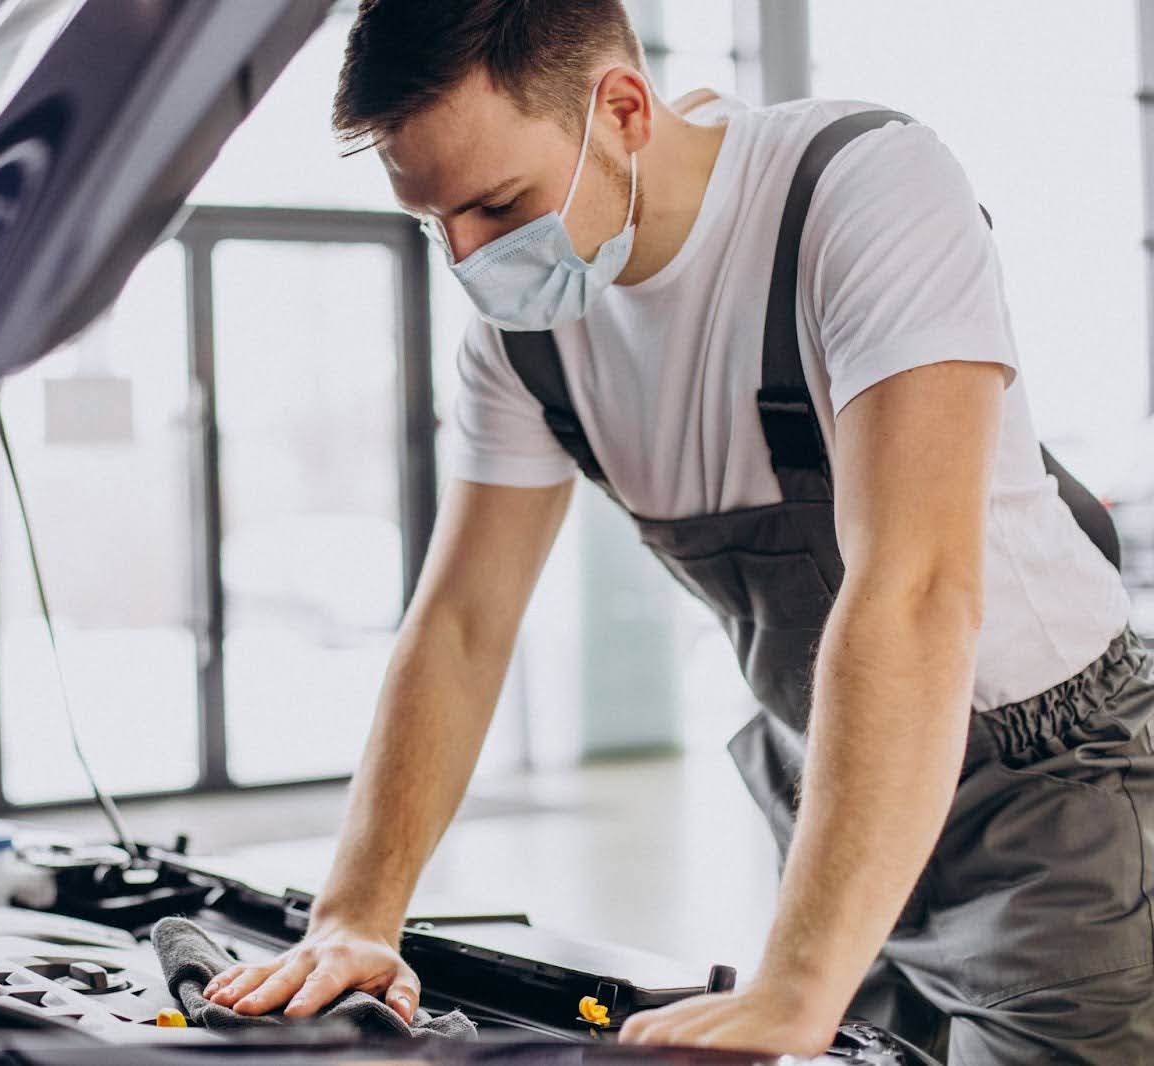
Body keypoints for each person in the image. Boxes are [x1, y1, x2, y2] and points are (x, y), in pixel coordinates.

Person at [201, 2, 1154, 1061]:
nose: (467, 258)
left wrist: (793, 985)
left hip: (1051, 794)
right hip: (843, 789)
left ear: (619, 108)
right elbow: (462, 626)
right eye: (434, 223)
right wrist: (355, 914)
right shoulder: (524, 345)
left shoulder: (859, 191)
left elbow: (918, 589)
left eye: (496, 204)